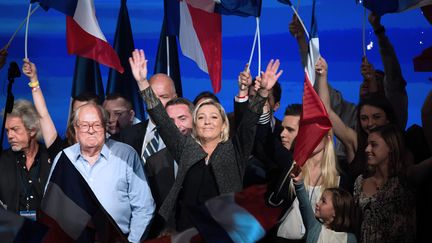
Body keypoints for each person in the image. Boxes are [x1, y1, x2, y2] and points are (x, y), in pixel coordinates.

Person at [129, 49, 279, 231]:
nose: (207, 121)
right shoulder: (186, 149)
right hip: (186, 234)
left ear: (223, 124)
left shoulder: (234, 150)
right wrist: (142, 82)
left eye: (214, 117)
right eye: (201, 117)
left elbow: (248, 124)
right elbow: (162, 119)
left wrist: (262, 92)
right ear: (194, 124)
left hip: (223, 234)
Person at [48, 102, 155, 242]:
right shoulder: (63, 158)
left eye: (97, 125)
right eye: (85, 125)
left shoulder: (126, 155)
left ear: (105, 127)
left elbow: (144, 207)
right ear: (76, 128)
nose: (91, 130)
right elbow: (51, 205)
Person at [314, 57, 400, 189]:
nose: (370, 123)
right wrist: (323, 75)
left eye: (376, 117)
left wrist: (371, 79)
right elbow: (327, 111)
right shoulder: (356, 141)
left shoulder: (400, 148)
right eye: (364, 118)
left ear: (388, 118)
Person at [22, 59, 100, 160]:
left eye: (86, 112)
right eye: (76, 112)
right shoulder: (63, 151)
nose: (80, 117)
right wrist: (33, 79)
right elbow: (43, 115)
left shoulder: (115, 152)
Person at [353, 125, 415, 242]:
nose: (367, 149)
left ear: (390, 147)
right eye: (367, 144)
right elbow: (356, 223)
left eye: (374, 145)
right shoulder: (360, 181)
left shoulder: (405, 179)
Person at [145, 97, 194, 237]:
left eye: (182, 118)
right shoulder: (154, 162)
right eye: (170, 121)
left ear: (194, 119)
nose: (176, 125)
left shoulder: (209, 156)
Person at [0, 100, 52, 218]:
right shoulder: (3, 160)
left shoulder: (51, 159)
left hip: (47, 233)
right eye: (7, 131)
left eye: (15, 129)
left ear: (32, 130)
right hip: (11, 232)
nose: (10, 136)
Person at [111, 72, 177, 162]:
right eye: (151, 97)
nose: (156, 102)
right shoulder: (126, 136)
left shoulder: (182, 135)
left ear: (175, 98)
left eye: (163, 97)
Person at [290, 164, 358, 243]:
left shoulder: (350, 239)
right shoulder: (314, 227)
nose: (317, 203)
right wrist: (298, 182)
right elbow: (304, 204)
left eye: (323, 201)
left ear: (336, 211)